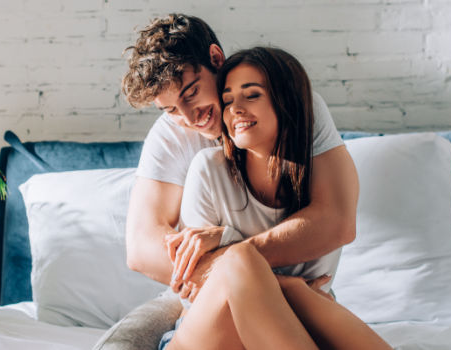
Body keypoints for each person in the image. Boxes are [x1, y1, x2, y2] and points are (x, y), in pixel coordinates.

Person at [159, 46, 391, 350]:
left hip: (294, 323)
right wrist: (292, 287)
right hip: (208, 333)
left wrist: (234, 250)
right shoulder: (208, 169)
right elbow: (195, 287)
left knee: (250, 266)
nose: (235, 109)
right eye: (227, 100)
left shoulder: (321, 176)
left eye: (251, 95)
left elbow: (341, 226)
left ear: (286, 102)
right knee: (240, 260)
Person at [122, 13, 358, 303]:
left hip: (301, 297)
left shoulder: (297, 109)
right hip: (205, 296)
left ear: (216, 59)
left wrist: (239, 263)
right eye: (170, 109)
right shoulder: (170, 137)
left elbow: (337, 221)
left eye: (192, 92)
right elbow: (141, 247)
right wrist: (278, 287)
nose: (188, 117)